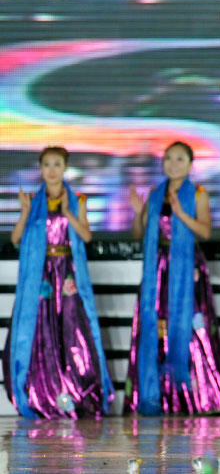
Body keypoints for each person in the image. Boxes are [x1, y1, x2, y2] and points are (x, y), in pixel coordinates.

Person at [2, 146, 113, 418]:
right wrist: (25, 213)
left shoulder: (78, 200)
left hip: (67, 274)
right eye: (47, 165)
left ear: (65, 168)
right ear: (41, 169)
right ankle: (45, 392)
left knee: (72, 328)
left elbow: (86, 236)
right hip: (41, 276)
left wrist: (68, 212)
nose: (51, 170)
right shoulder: (33, 201)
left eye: (57, 164)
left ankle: (75, 391)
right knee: (43, 330)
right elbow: (16, 239)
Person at [125, 141, 220, 415]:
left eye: (180, 159)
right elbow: (139, 234)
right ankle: (159, 394)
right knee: (157, 326)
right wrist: (139, 212)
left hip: (187, 267)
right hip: (158, 268)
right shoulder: (155, 194)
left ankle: (195, 396)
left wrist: (181, 213)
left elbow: (205, 232)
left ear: (190, 164)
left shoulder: (199, 194)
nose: (173, 164)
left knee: (192, 326)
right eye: (168, 158)